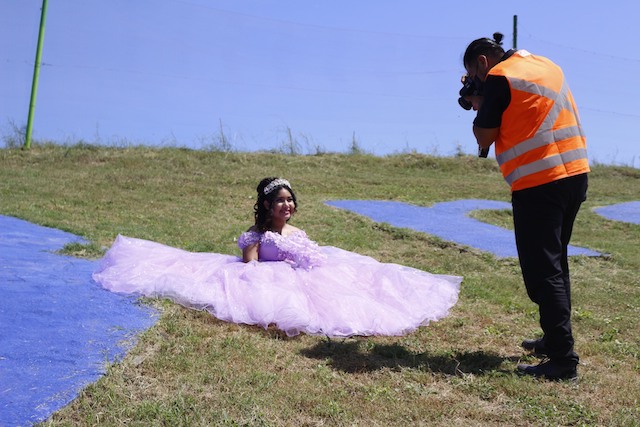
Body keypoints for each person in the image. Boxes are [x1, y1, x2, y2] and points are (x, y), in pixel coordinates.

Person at [93, 177, 462, 338]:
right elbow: (248, 268)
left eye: (290, 200)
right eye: (280, 201)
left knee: (371, 280)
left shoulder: (298, 233)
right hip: (275, 280)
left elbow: (315, 259)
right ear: (267, 206)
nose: (287, 205)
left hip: (316, 274)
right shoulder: (256, 235)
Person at [462, 34, 590, 380]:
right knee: (556, 263)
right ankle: (553, 340)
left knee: (542, 271)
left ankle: (563, 360)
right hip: (574, 174)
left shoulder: (501, 77)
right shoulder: (545, 65)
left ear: (482, 63)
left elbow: (484, 136)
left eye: (474, 74)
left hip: (540, 182)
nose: (477, 80)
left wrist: (479, 101)